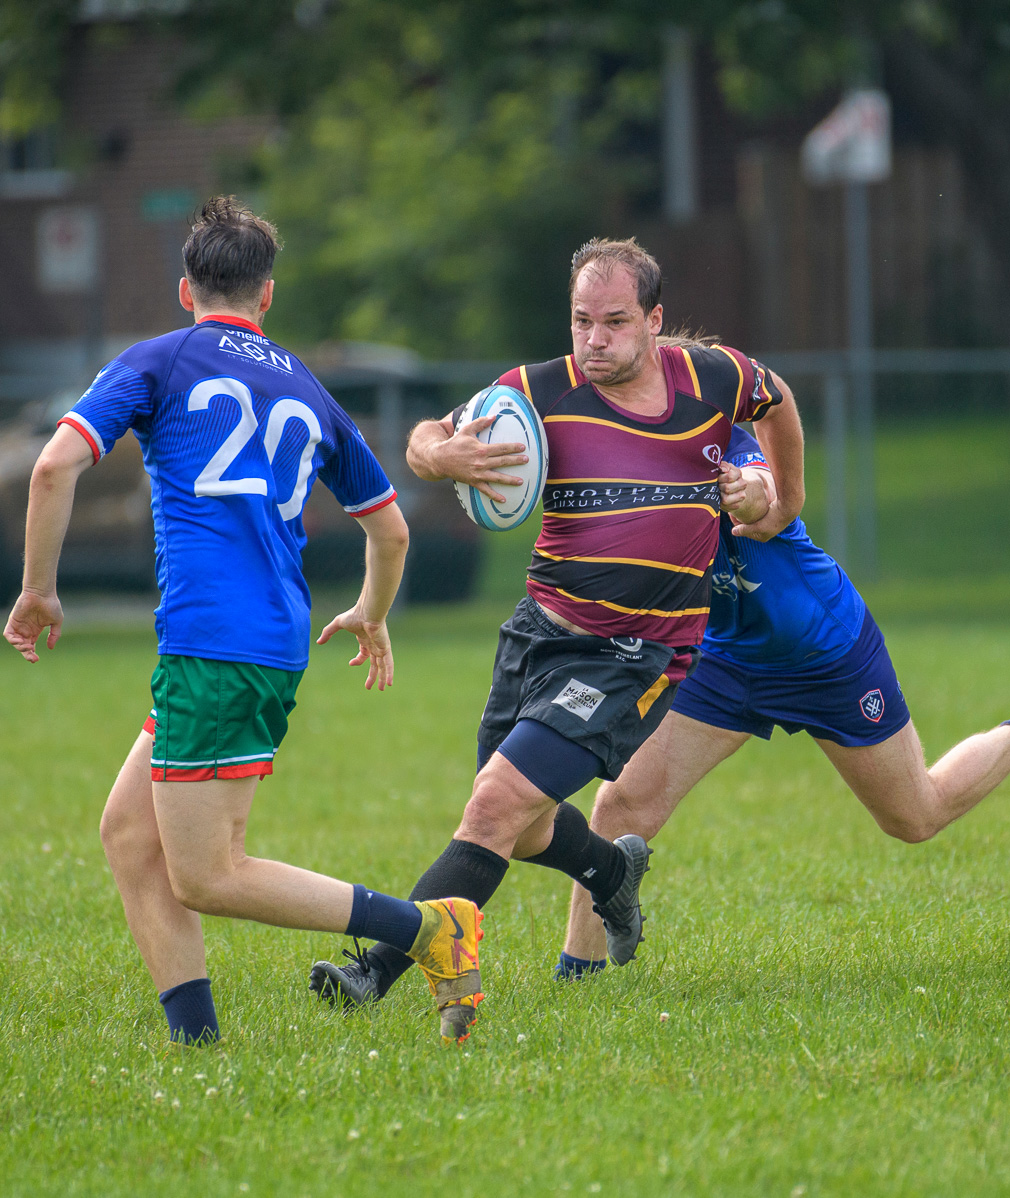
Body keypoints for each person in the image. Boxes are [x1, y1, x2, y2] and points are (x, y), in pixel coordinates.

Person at [3, 196, 483, 1046]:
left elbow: (51, 468)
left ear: (187, 291)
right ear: (267, 297)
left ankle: (423, 929)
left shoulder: (158, 360)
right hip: (268, 639)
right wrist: (372, 612)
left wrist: (39, 588)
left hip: (210, 644)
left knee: (208, 874)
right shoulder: (306, 384)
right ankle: (196, 1040)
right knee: (128, 834)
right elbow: (391, 526)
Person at [307, 238, 802, 1037]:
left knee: (496, 807)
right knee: (523, 823)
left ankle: (379, 967)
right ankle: (612, 868)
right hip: (538, 632)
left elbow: (778, 402)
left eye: (613, 323)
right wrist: (444, 455)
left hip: (636, 654)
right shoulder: (539, 391)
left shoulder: (715, 378)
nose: (594, 340)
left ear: (654, 321)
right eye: (581, 322)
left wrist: (777, 499)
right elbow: (425, 435)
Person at [553, 420, 1010, 976]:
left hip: (823, 652)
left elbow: (761, 490)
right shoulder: (624, 461)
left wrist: (752, 495)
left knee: (916, 816)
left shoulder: (724, 445)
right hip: (724, 657)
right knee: (621, 804)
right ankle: (579, 978)